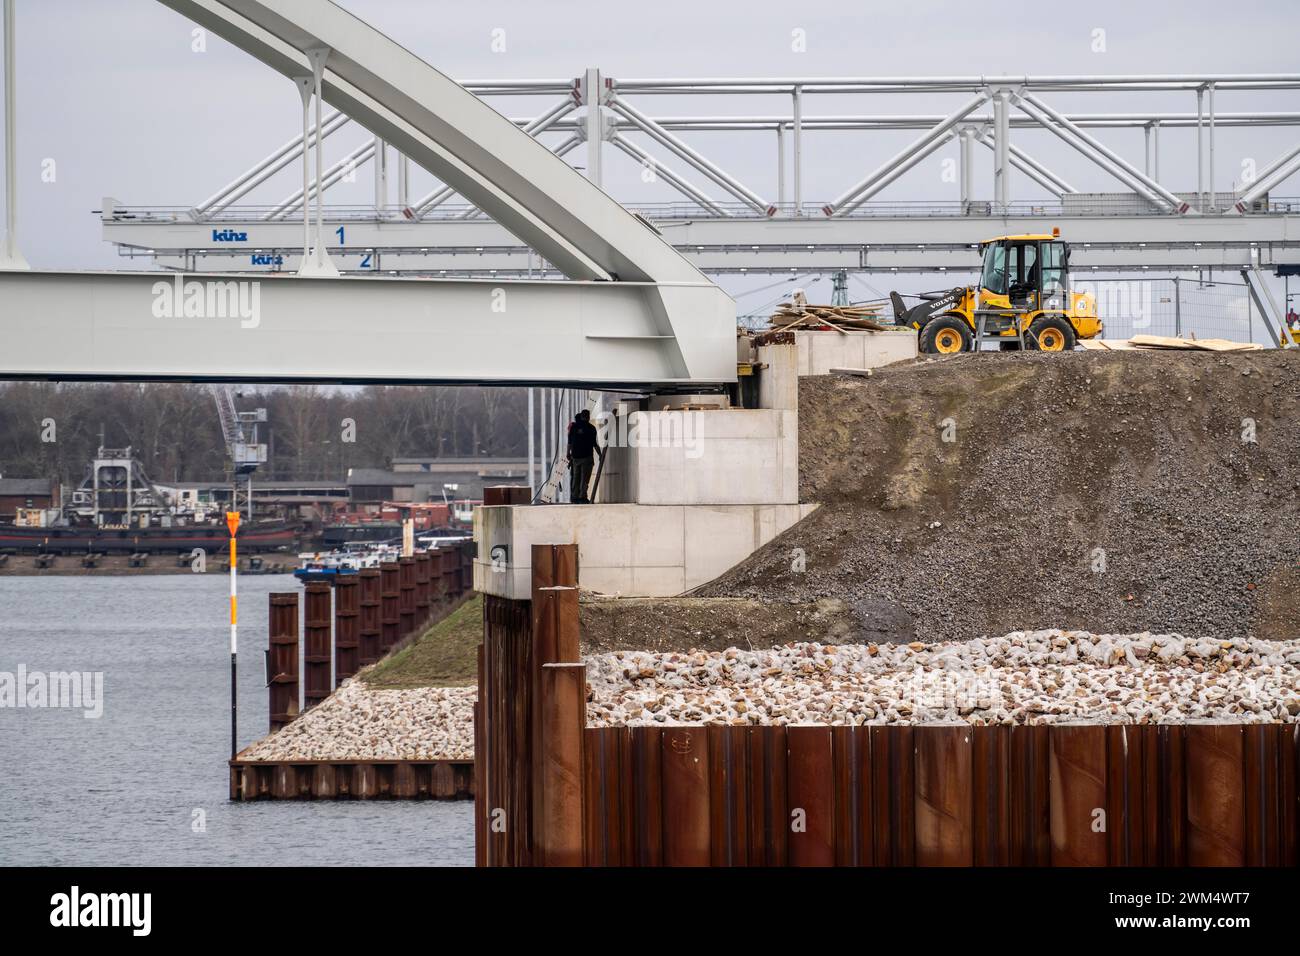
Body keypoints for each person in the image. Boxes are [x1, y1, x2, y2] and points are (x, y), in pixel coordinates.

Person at [566, 409, 600, 504]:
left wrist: (568, 453)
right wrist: (600, 454)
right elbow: (594, 444)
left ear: (581, 416)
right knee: (584, 479)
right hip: (587, 457)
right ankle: (582, 497)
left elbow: (569, 442)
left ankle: (574, 497)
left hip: (575, 457)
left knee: (576, 477)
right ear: (588, 417)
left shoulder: (573, 427)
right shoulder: (591, 428)